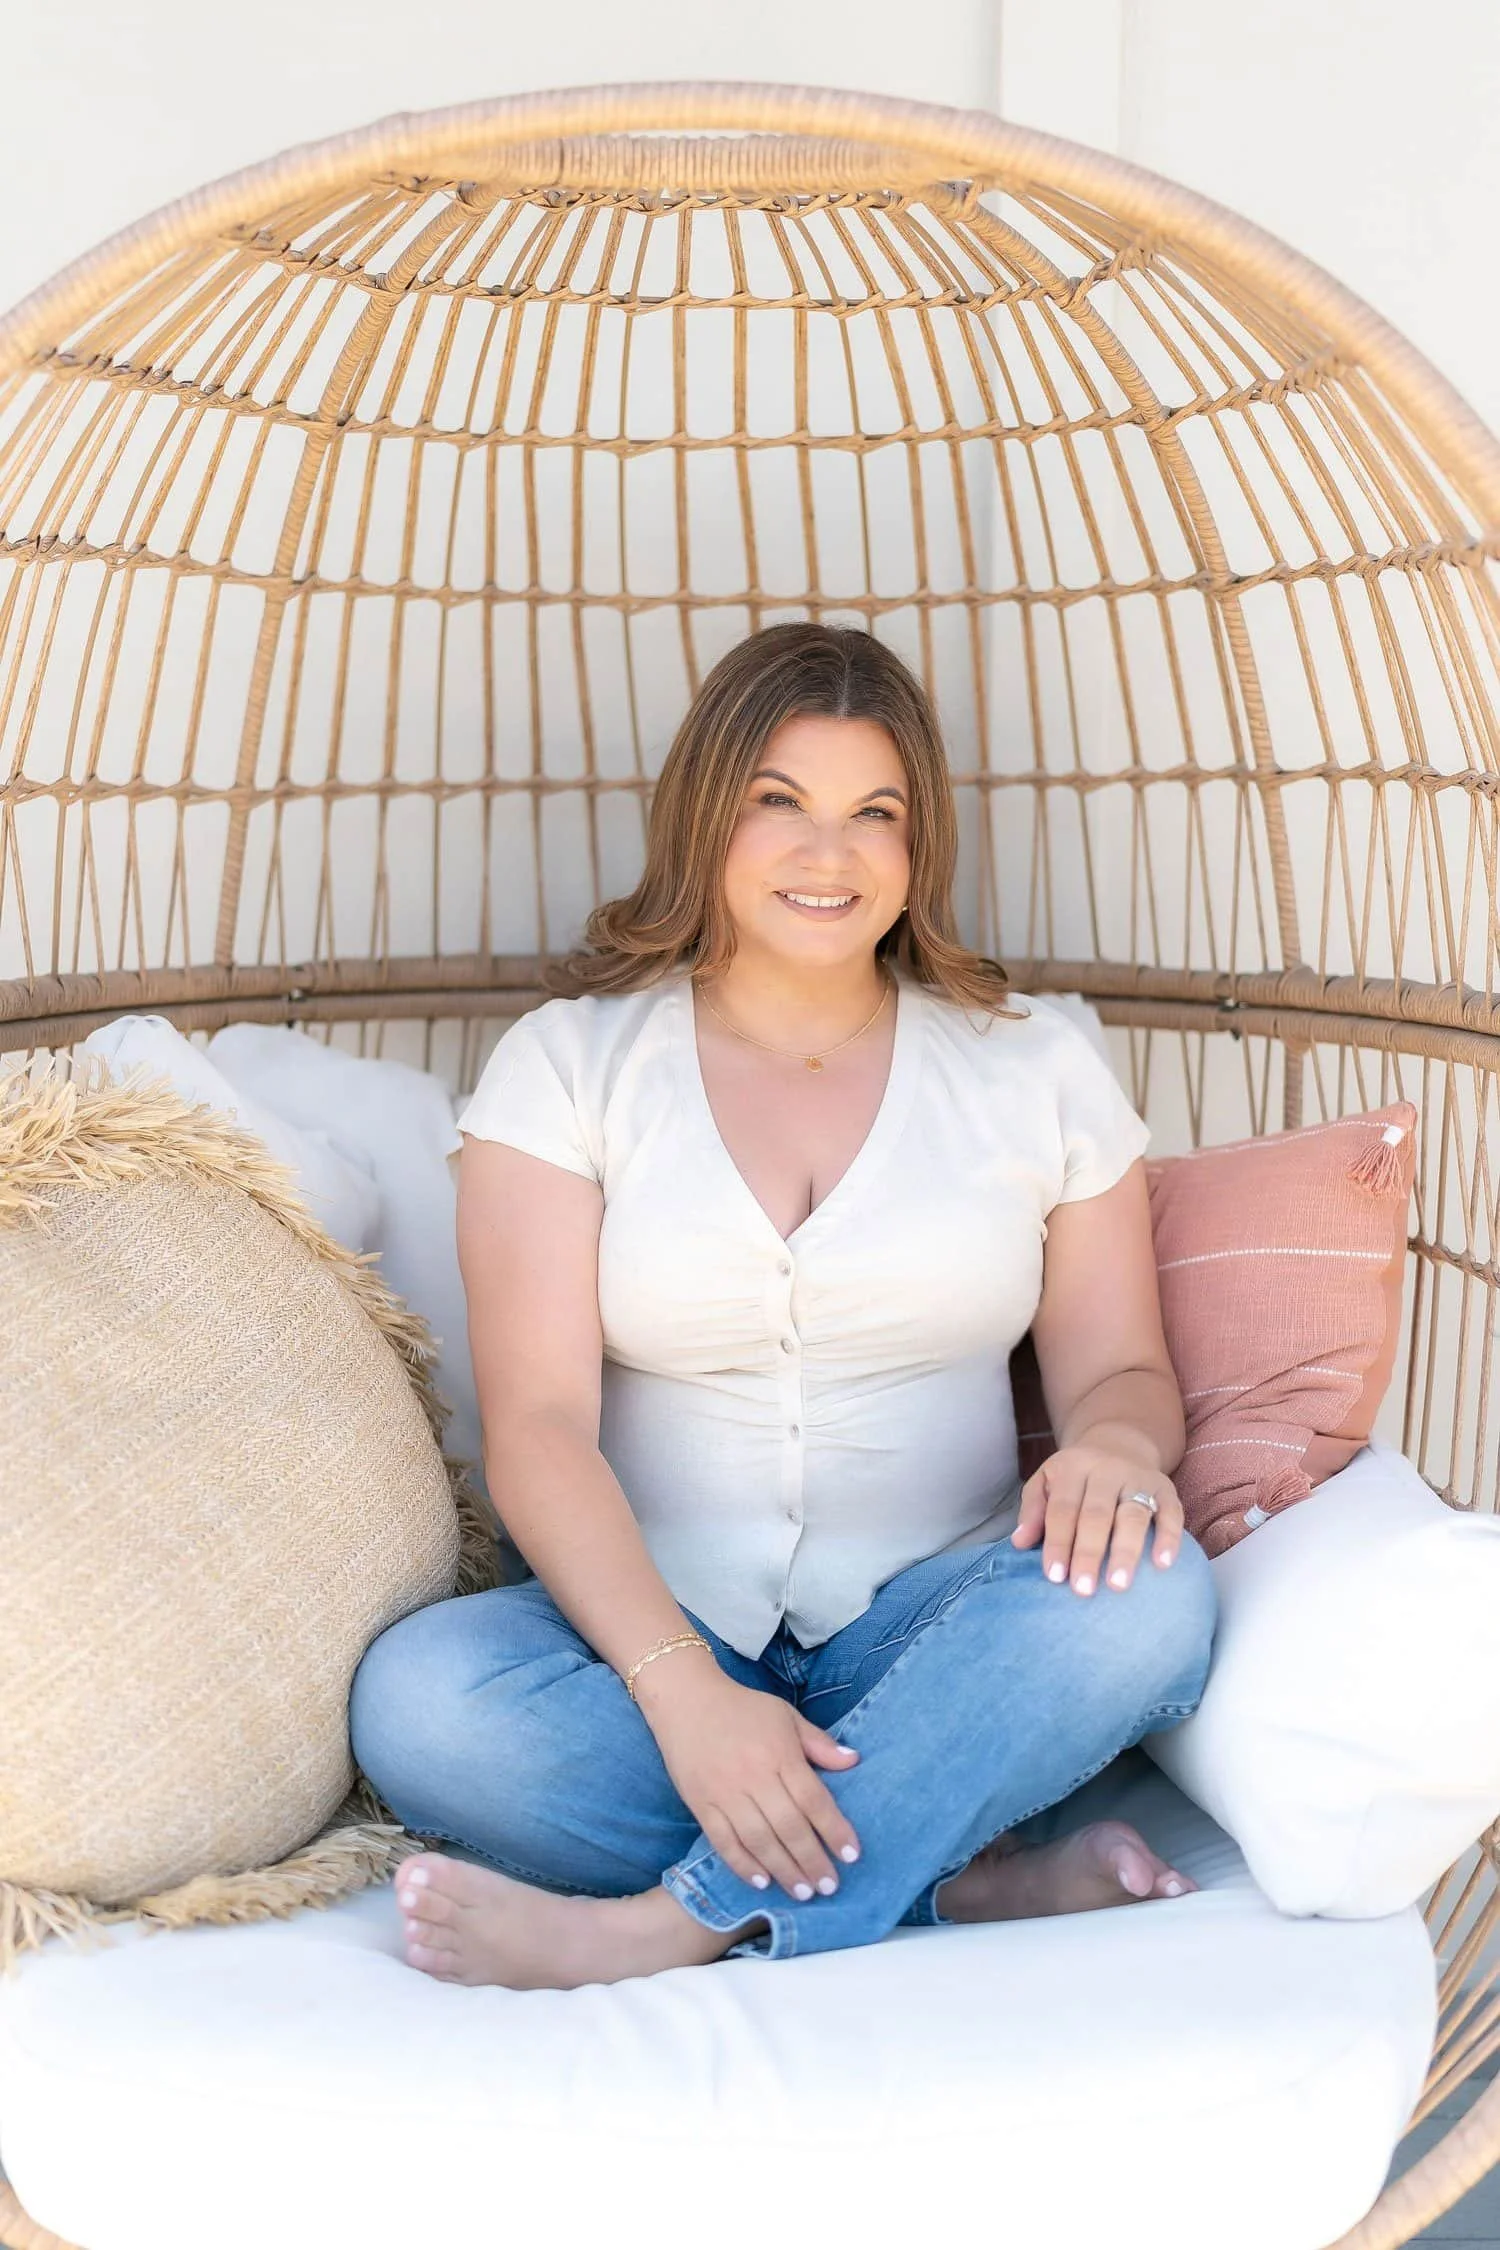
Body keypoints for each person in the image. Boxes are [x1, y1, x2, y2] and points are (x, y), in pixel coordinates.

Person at [350, 621, 1217, 1990]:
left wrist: (1115, 1446)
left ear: (920, 843)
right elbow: (538, 1428)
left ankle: (677, 1921)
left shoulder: (1036, 1068)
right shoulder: (567, 1066)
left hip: (936, 1637)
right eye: (781, 802)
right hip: (648, 1638)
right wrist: (684, 1691)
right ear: (708, 814)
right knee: (421, 1701)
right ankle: (953, 1873)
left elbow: (1120, 1370)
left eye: (876, 812)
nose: (831, 853)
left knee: (1153, 1597)